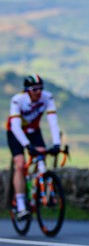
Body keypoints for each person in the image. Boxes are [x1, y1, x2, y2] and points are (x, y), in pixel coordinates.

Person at [6, 74, 61, 218]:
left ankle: (41, 190)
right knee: (20, 164)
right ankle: (21, 206)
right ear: (27, 90)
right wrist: (27, 145)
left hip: (34, 131)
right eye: (34, 89)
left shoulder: (47, 98)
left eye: (40, 88)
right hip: (15, 132)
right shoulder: (18, 100)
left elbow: (53, 122)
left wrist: (56, 144)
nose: (38, 92)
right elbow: (16, 127)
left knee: (42, 157)